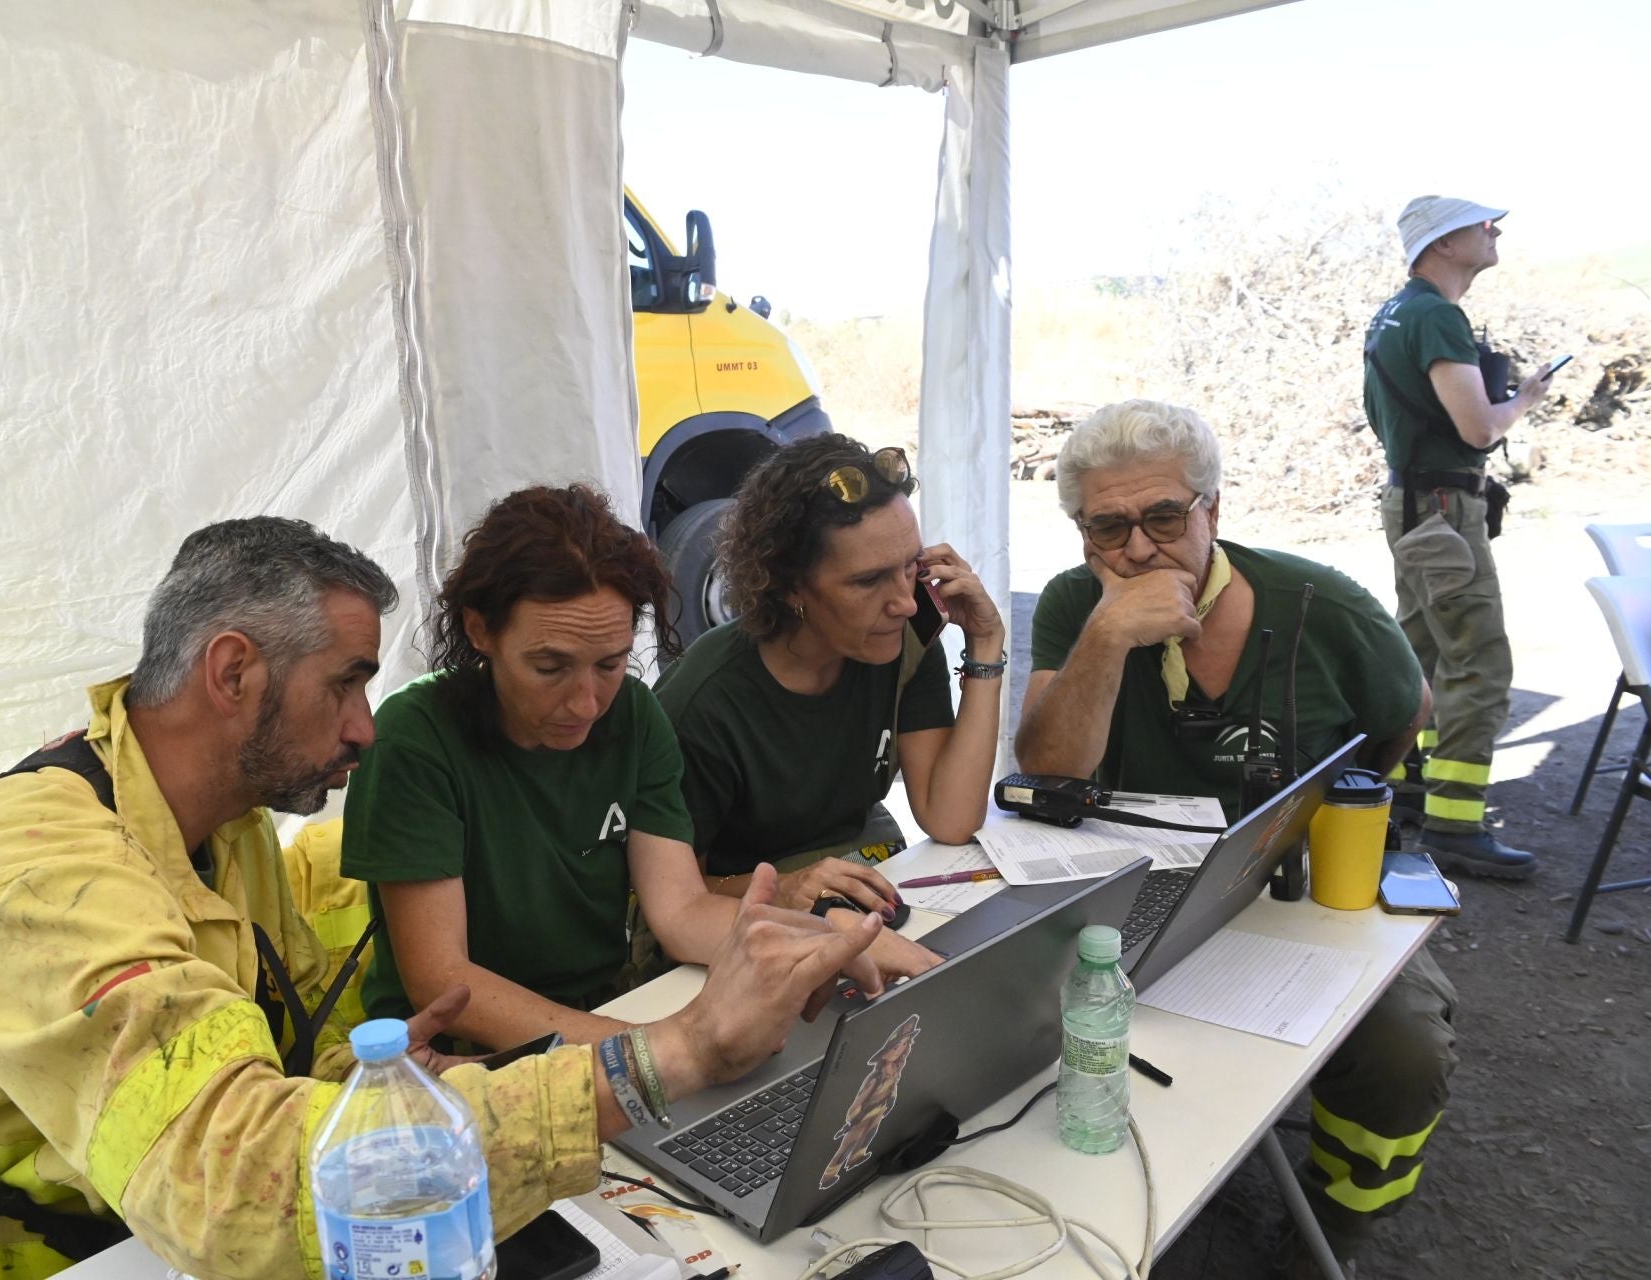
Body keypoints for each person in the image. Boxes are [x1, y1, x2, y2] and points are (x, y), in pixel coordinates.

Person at [0, 516, 885, 1280]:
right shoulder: (38, 875)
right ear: (233, 672)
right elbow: (241, 1191)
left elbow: (269, 1060)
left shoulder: (220, 832)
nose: (368, 725)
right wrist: (667, 1057)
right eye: (346, 681)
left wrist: (396, 1086)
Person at [1013, 400, 1457, 1272]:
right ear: (1081, 534)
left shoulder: (1322, 607)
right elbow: (1049, 770)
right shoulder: (1077, 604)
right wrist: (1106, 639)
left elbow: (1403, 722)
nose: (1137, 548)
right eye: (1108, 527)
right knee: (1012, 1011)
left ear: (1214, 508)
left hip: (1300, 884)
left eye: (1165, 517)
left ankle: (1336, 1221)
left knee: (1404, 1047)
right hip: (1135, 886)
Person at [343, 484, 900, 1052]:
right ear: (480, 630)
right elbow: (444, 980)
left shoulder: (632, 713)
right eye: (550, 667)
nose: (586, 703)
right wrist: (650, 1052)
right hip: (451, 1050)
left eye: (609, 663)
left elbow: (681, 911)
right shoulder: (413, 739)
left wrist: (837, 940)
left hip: (605, 1009)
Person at [656, 435, 1001, 966]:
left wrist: (985, 646)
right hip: (746, 937)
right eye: (868, 581)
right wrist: (787, 888)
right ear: (789, 586)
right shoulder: (707, 702)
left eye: (910, 565)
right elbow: (679, 900)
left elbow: (950, 818)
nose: (906, 601)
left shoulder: (900, 640)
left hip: (861, 893)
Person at [1361, 196, 1558, 878]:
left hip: (1411, 501)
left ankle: (1407, 789)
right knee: (1478, 663)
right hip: (1444, 506)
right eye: (1483, 224)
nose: (1495, 230)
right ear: (1443, 243)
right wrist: (1525, 399)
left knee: (1419, 651)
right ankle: (1456, 825)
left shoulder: (1394, 313)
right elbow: (1478, 430)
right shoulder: (1438, 316)